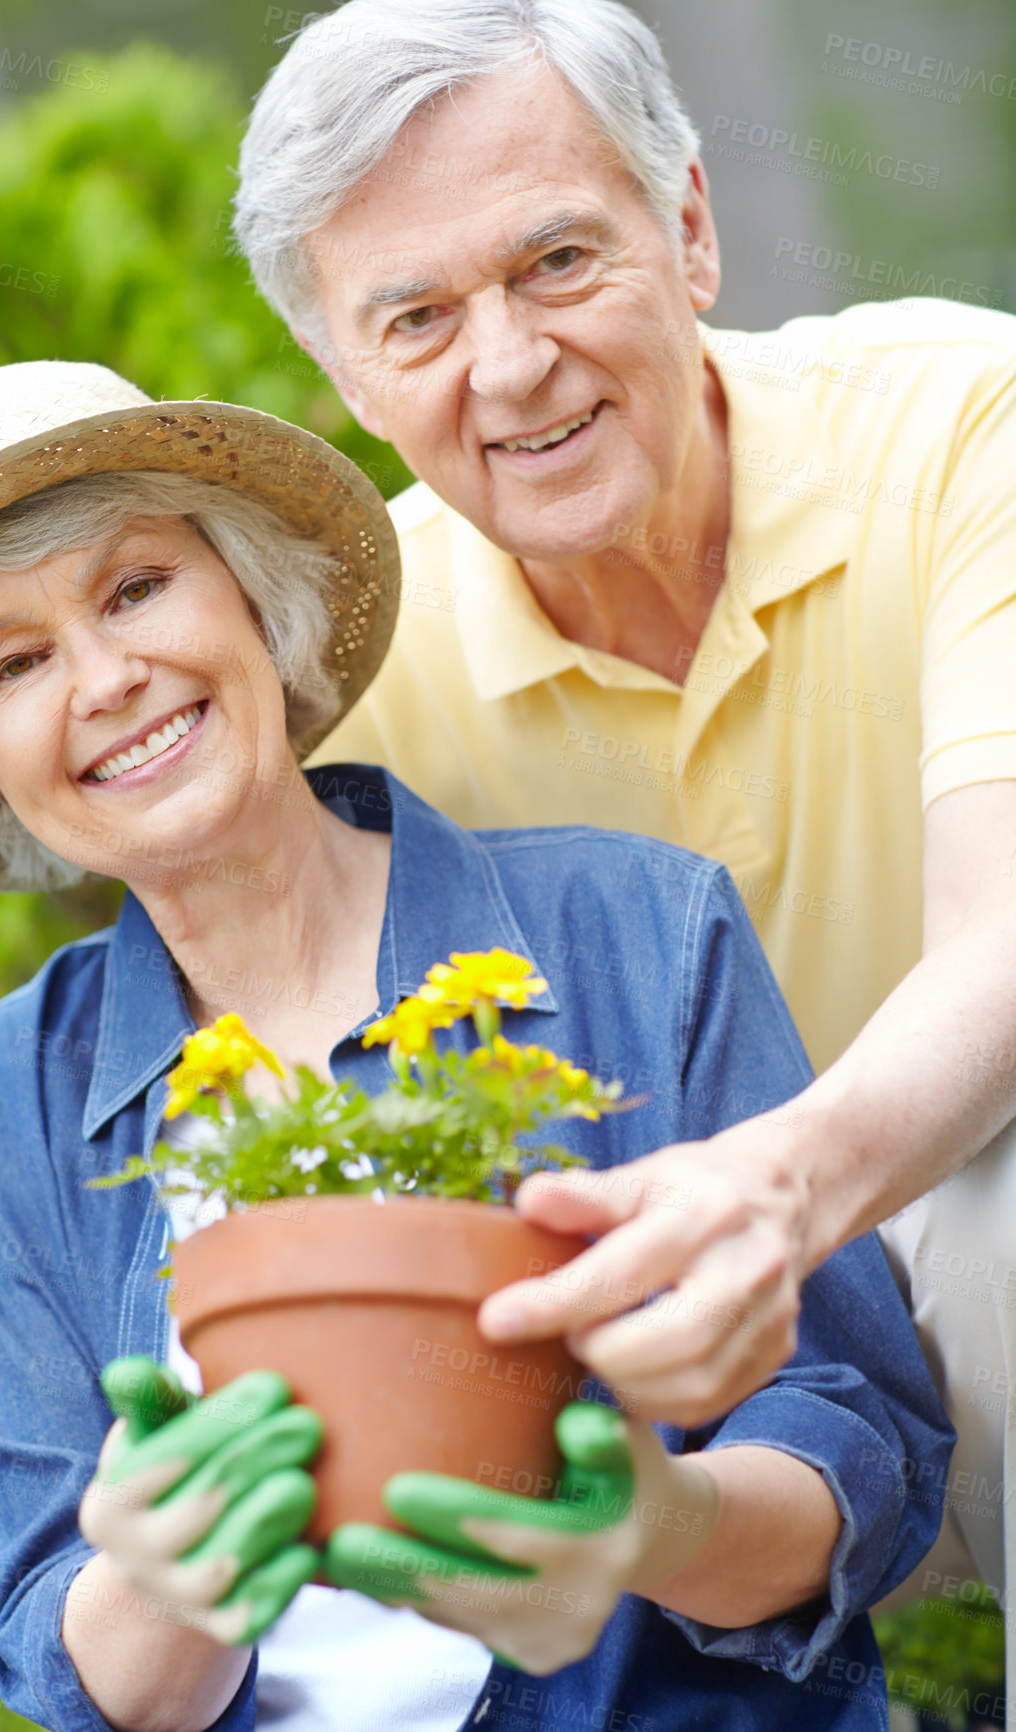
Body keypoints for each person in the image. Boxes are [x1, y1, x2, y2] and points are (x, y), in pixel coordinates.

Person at [0, 359, 950, 1732]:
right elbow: (67, 1655)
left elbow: (859, 1440)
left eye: (135, 587)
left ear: (250, 594)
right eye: (12, 663)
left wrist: (655, 1526)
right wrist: (164, 1583)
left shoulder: (635, 928)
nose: (106, 678)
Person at [234, 0, 1016, 1635]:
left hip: (953, 1267)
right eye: (417, 316)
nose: (510, 364)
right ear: (343, 375)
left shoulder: (963, 426)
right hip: (666, 1416)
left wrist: (777, 1196)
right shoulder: (346, 689)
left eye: (557, 263)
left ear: (689, 230)